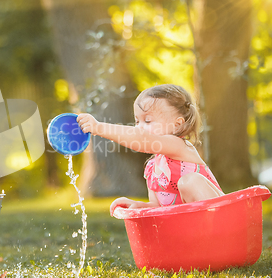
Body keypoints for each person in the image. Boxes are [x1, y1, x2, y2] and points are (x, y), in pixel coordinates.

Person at [76, 84, 224, 215]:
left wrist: (99, 127)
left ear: (177, 125)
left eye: (147, 120)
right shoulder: (152, 169)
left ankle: (220, 231)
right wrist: (137, 205)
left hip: (223, 215)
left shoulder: (180, 146)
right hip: (192, 230)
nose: (140, 127)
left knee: (190, 181)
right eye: (137, 121)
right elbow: (158, 207)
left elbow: (141, 138)